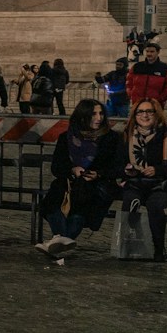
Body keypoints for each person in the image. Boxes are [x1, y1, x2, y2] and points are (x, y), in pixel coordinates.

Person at [35, 98, 126, 254]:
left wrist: (98, 174)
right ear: (82, 116)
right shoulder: (67, 137)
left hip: (98, 184)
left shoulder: (111, 138)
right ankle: (63, 243)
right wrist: (72, 170)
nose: (99, 118)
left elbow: (117, 167)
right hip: (70, 182)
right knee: (54, 196)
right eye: (93, 114)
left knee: (83, 200)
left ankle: (58, 242)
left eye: (101, 114)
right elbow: (57, 166)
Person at [118, 98, 167, 259]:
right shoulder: (128, 135)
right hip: (136, 183)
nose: (144, 115)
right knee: (130, 201)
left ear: (157, 114)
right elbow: (116, 163)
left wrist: (158, 170)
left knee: (155, 204)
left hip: (165, 185)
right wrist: (127, 170)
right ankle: (130, 246)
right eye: (140, 112)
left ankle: (159, 248)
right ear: (134, 114)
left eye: (149, 112)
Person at [125, 42, 167, 112]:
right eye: (147, 51)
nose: (149, 54)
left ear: (158, 52)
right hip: (137, 103)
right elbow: (129, 82)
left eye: (152, 51)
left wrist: (159, 99)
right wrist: (132, 95)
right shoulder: (136, 67)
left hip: (155, 105)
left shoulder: (166, 69)